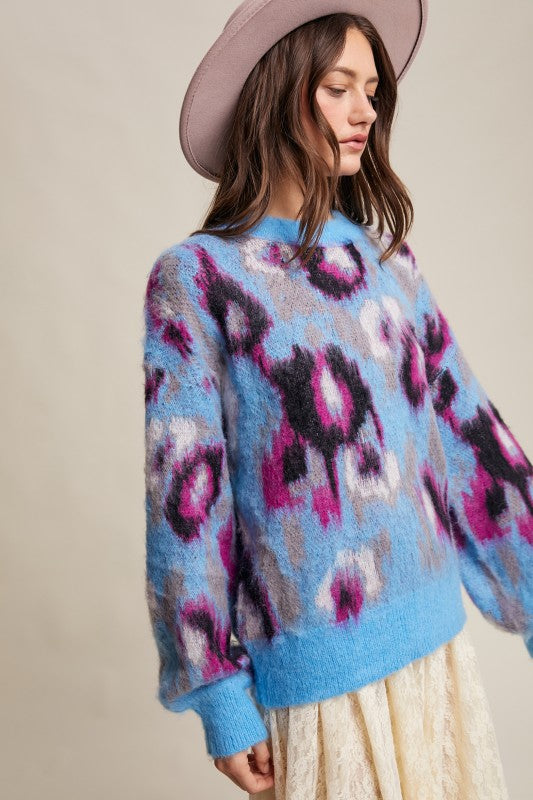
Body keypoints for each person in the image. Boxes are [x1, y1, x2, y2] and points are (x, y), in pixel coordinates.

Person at [142, 2, 532, 797]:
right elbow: (185, 502)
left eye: (372, 91)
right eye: (337, 87)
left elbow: (468, 433)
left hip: (436, 659)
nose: (365, 112)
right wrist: (219, 697)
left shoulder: (386, 259)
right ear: (277, 92)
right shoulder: (198, 278)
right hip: (315, 680)